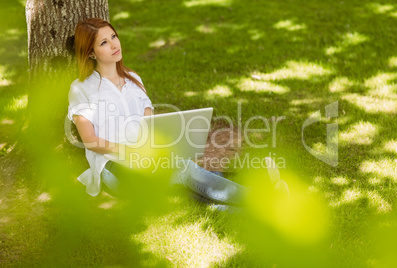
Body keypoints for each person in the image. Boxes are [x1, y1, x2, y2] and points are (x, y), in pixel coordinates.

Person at [68, 18, 289, 209]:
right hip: (114, 168)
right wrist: (129, 150)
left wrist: (166, 145)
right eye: (104, 42)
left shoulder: (133, 79)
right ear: (90, 53)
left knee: (186, 186)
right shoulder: (81, 88)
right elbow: (90, 141)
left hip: (145, 160)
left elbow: (150, 125)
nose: (114, 44)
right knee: (183, 170)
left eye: (114, 36)